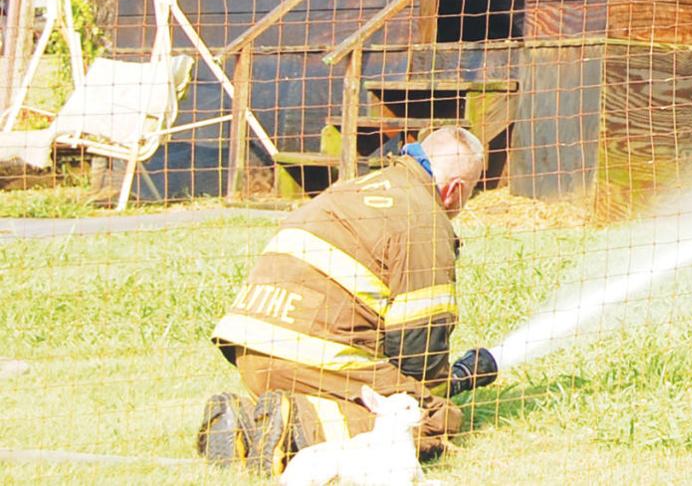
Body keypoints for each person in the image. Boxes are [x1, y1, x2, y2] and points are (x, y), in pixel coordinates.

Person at [196, 127, 500, 473]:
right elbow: (419, 346)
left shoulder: (355, 186)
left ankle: (257, 416)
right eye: (471, 193)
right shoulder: (426, 220)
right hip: (310, 355)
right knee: (430, 419)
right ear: (455, 190)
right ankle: (291, 424)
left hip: (251, 349)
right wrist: (434, 393)